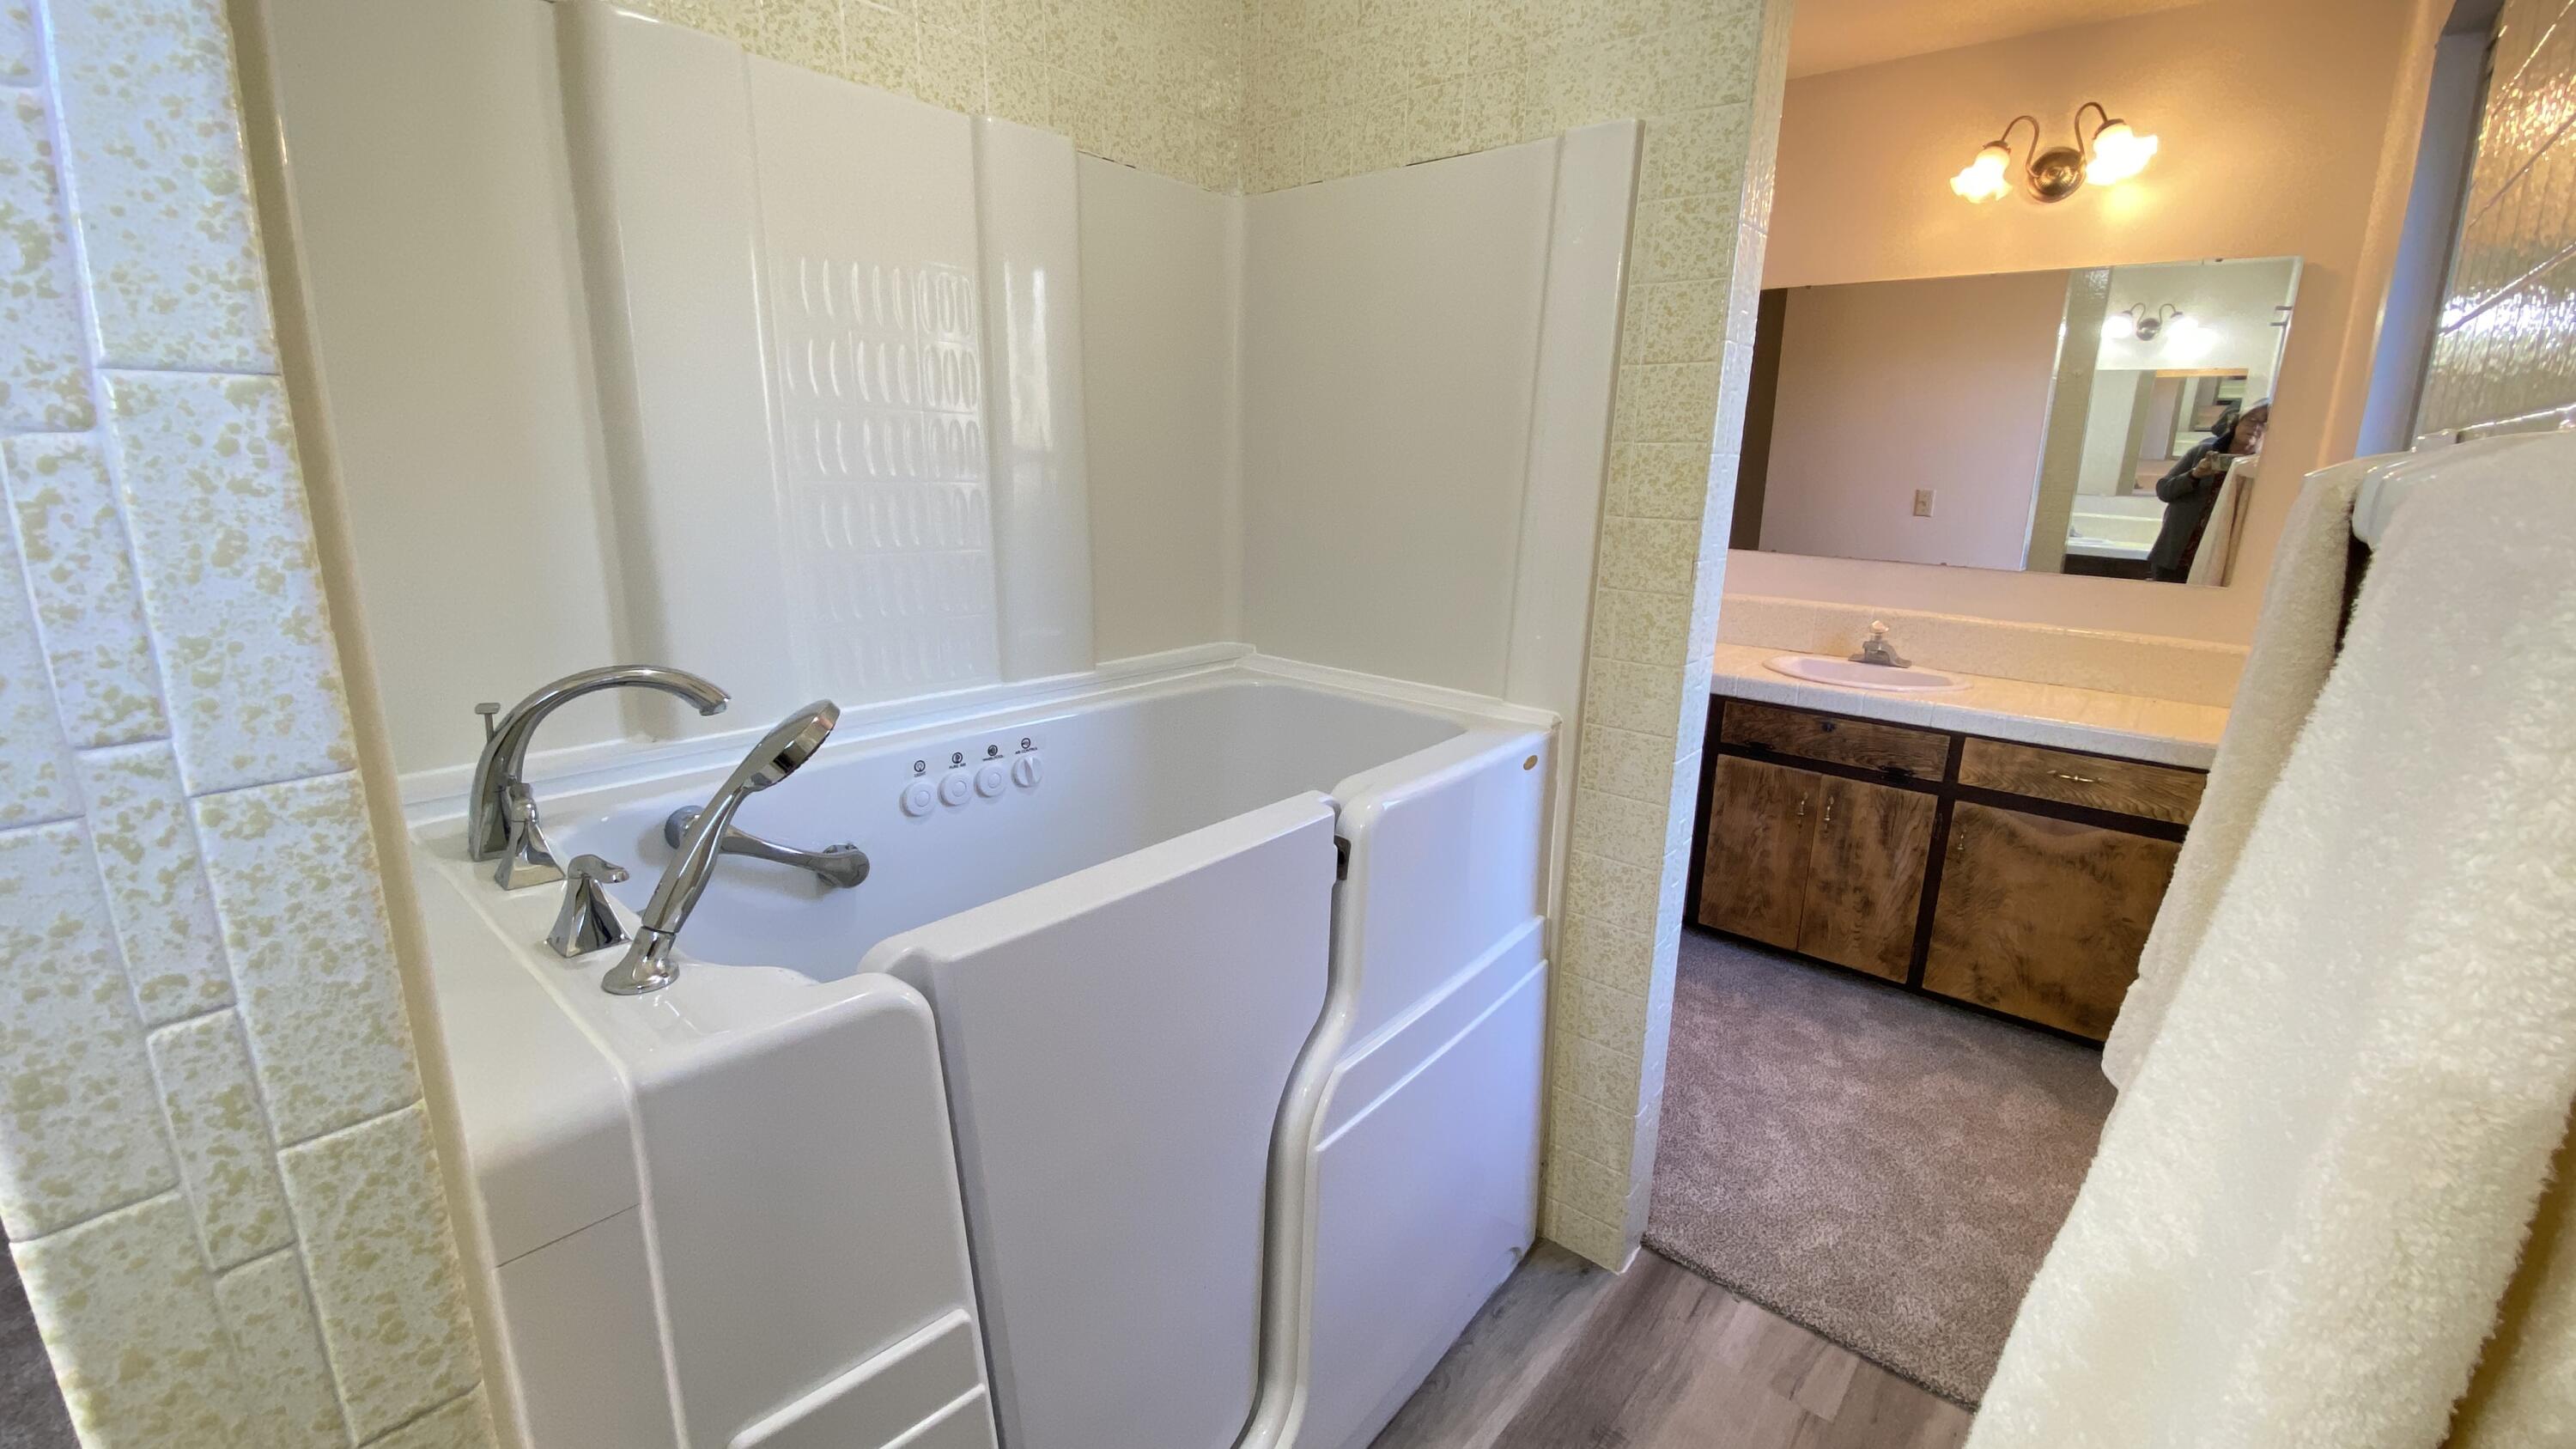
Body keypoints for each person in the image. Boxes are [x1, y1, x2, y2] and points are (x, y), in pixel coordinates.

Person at [2147, 400, 2269, 582]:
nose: (2256, 427)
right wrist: (2195, 474)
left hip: (2221, 560)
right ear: (2236, 423)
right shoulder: (2202, 451)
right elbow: (2164, 490)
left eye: (2264, 423)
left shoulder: (2262, 469)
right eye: (2251, 420)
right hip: (2176, 556)